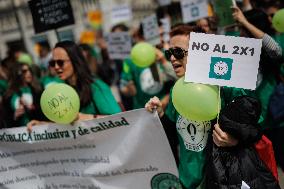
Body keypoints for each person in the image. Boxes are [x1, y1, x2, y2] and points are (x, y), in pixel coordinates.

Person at [145, 24, 248, 189]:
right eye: (169, 53)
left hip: (222, 178)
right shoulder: (177, 89)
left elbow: (254, 127)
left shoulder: (225, 87)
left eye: (178, 52)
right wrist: (161, 114)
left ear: (200, 52)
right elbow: (175, 132)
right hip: (188, 180)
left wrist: (235, 140)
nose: (172, 58)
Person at [232, 6, 284, 171]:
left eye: (243, 29)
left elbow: (275, 48)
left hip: (278, 121)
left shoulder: (268, 54)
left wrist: (244, 22)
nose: (240, 33)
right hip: (256, 126)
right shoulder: (240, 54)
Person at [27, 41, 122, 130]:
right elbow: (66, 125)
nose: (56, 67)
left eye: (60, 62)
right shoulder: (62, 89)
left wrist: (85, 117)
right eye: (52, 63)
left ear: (75, 61)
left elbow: (119, 120)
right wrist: (42, 125)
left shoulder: (96, 86)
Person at [4, 63, 44, 127]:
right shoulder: (9, 95)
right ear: (17, 73)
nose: (28, 73)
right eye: (24, 71)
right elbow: (5, 118)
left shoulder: (37, 91)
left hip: (36, 132)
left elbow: (43, 115)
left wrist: (32, 108)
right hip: (17, 133)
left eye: (29, 70)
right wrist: (15, 116)